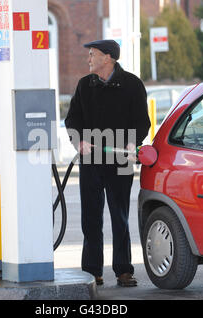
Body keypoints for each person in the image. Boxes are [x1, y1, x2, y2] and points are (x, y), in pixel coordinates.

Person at [65, 39, 150, 287]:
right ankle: (92, 271)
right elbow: (72, 120)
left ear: (108, 57)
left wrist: (132, 143)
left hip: (120, 160)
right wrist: (79, 142)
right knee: (91, 218)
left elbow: (142, 122)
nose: (88, 59)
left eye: (93, 54)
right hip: (91, 161)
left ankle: (123, 270)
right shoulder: (85, 85)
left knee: (119, 217)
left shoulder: (132, 84)